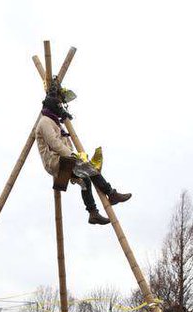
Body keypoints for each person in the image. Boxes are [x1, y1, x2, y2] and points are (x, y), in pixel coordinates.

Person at [34, 82, 131, 225]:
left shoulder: (54, 123)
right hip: (55, 161)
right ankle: (111, 193)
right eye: (58, 107)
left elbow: (64, 143)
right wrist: (73, 156)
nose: (60, 109)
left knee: (85, 179)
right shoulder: (45, 122)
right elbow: (54, 143)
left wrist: (73, 153)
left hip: (61, 159)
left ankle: (92, 212)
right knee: (90, 169)